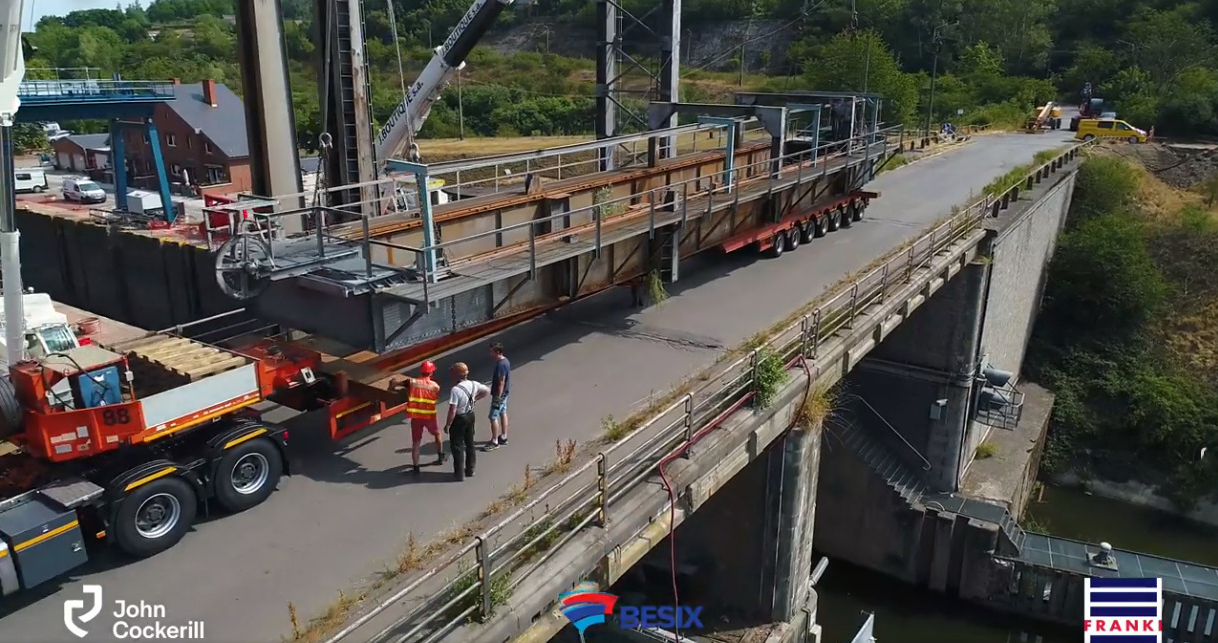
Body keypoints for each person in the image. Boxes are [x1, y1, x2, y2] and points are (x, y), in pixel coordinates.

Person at [391, 361, 444, 476]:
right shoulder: (435, 386)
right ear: (431, 373)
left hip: (416, 416)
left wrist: (394, 383)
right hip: (430, 416)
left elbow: (397, 384)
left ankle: (416, 467)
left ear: (421, 371)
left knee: (416, 442)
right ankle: (440, 456)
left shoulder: (412, 382)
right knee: (437, 434)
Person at [444, 362, 490, 481]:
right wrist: (475, 399)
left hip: (459, 418)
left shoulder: (455, 390)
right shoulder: (474, 384)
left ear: (456, 374)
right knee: (470, 442)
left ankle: (459, 474)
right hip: (470, 415)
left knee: (457, 445)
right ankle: (470, 469)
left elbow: (453, 409)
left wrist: (448, 424)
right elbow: (486, 391)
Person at [484, 342, 511, 450]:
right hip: (505, 393)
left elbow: (501, 382)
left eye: (492, 352)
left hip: (499, 395)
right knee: (503, 412)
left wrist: (497, 397)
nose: (490, 353)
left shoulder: (501, 365)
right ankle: (503, 436)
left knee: (493, 417)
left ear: (498, 352)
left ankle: (494, 441)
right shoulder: (505, 361)